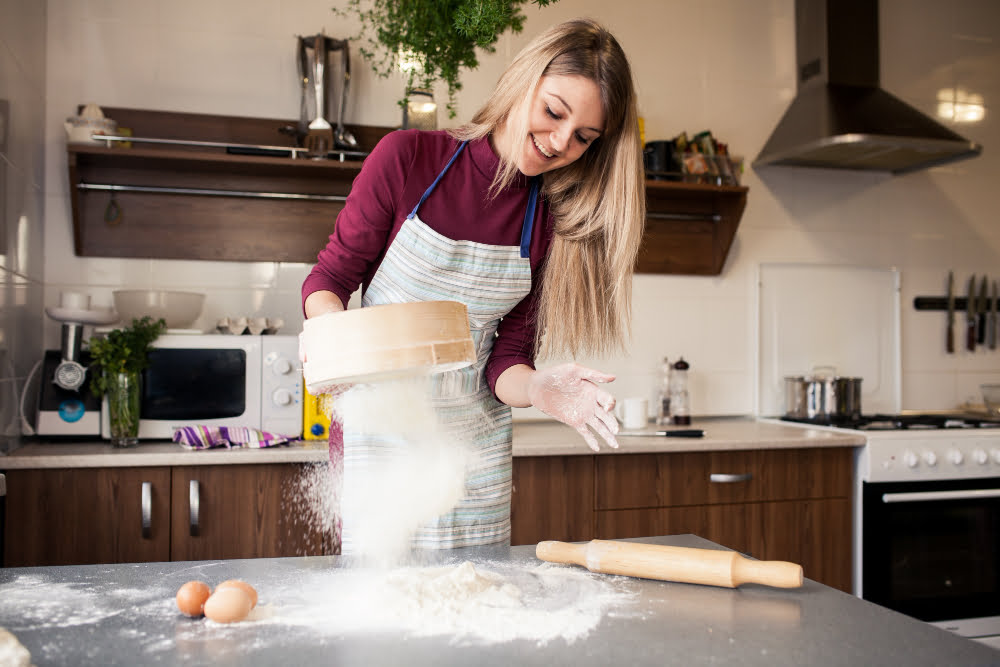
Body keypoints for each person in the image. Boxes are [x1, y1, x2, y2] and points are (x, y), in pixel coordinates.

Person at [301, 17, 645, 551]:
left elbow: (504, 359)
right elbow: (330, 278)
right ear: (523, 80)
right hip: (381, 434)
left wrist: (537, 388)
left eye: (583, 137)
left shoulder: (550, 221)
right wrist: (338, 341)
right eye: (553, 112)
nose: (559, 142)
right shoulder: (408, 159)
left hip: (472, 454)